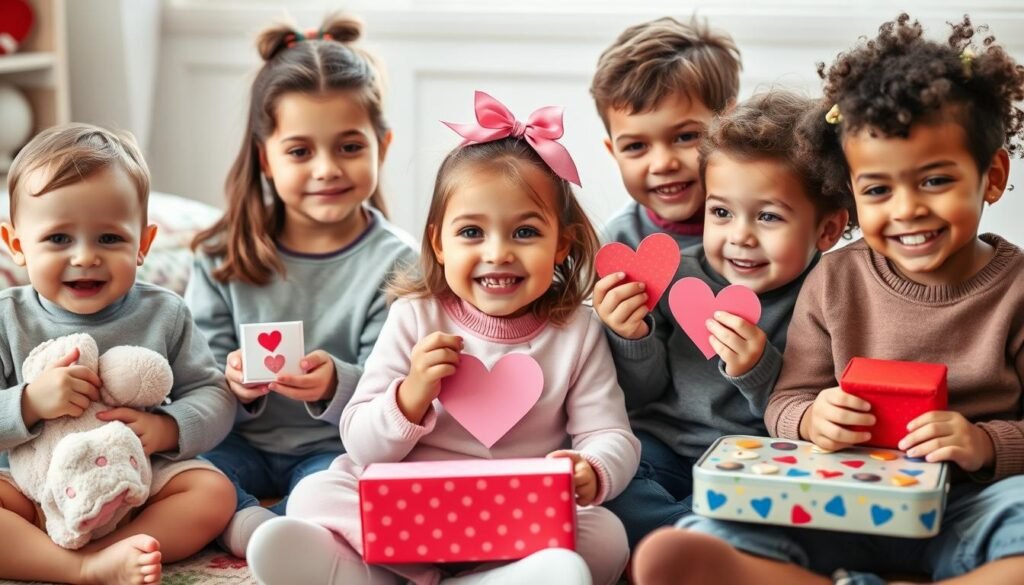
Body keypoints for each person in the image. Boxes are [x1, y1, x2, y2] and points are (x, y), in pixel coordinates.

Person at [635, 14, 1024, 585]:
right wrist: (813, 417)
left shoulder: (1015, 289)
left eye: (935, 181)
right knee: (708, 531)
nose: (906, 209)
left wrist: (986, 442)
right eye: (877, 189)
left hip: (966, 508)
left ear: (990, 177)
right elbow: (785, 401)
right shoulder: (835, 279)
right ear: (852, 190)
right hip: (836, 505)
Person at [247, 91, 641, 585]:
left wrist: (591, 467)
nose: (497, 253)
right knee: (313, 493)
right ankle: (417, 572)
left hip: (511, 516)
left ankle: (399, 576)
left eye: (525, 233)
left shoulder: (577, 330)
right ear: (438, 241)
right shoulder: (414, 317)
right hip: (408, 508)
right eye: (472, 233)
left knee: (605, 536)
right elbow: (362, 441)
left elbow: (611, 433)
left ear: (561, 242)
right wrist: (410, 396)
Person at [186, 14, 417, 559]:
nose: (325, 169)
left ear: (382, 145)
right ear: (265, 157)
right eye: (299, 151)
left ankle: (286, 529)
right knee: (178, 475)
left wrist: (335, 381)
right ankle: (247, 523)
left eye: (349, 147)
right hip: (236, 443)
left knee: (342, 493)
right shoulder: (221, 258)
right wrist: (232, 384)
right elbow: (194, 377)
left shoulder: (400, 263)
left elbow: (396, 388)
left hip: (336, 450)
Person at [597, 90, 850, 547]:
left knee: (809, 516)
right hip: (668, 449)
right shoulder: (678, 275)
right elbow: (641, 393)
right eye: (720, 212)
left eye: (768, 217)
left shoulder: (831, 294)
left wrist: (759, 369)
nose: (739, 237)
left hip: (767, 462)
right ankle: (703, 540)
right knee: (615, 493)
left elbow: (810, 409)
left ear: (827, 228)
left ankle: (701, 545)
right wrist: (631, 335)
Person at [0, 123, 236, 585]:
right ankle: (80, 568)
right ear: (17, 245)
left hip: (137, 487)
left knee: (213, 492)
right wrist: (27, 403)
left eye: (109, 239)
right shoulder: (9, 318)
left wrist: (166, 428)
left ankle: (111, 553)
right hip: (38, 493)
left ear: (143, 244)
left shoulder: (164, 312)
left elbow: (214, 394)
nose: (85, 257)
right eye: (59, 239)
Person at [591, 16, 741, 249]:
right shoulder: (616, 243)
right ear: (614, 152)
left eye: (686, 137)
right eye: (635, 146)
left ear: (730, 125)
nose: (662, 164)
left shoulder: (766, 222)